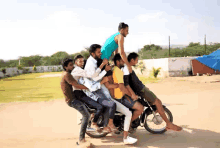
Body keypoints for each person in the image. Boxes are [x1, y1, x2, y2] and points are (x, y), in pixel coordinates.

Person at [84, 44, 137, 144]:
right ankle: (114, 128)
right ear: (92, 53)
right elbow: (101, 82)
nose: (100, 54)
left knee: (121, 109)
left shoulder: (111, 70)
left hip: (108, 94)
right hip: (107, 96)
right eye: (99, 52)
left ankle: (112, 126)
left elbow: (101, 79)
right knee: (125, 111)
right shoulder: (104, 70)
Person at [123, 52, 182, 131]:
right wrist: (133, 94)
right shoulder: (127, 68)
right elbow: (127, 84)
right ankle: (168, 124)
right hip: (141, 91)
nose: (137, 62)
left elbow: (134, 82)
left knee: (158, 102)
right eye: (136, 60)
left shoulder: (129, 68)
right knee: (157, 102)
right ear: (132, 60)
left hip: (142, 89)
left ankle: (166, 121)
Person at [71, 54, 117, 133]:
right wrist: (104, 69)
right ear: (76, 62)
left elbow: (94, 77)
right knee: (107, 105)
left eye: (82, 61)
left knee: (107, 106)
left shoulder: (82, 73)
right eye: (80, 61)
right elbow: (93, 78)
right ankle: (102, 123)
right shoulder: (79, 72)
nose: (82, 62)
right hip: (86, 95)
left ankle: (105, 125)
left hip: (90, 94)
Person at [60, 58, 96, 148]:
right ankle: (81, 139)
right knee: (86, 115)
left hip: (74, 98)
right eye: (70, 65)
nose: (73, 66)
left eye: (73, 64)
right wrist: (89, 88)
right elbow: (75, 85)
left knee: (89, 111)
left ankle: (87, 127)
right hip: (72, 100)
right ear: (65, 67)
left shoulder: (67, 74)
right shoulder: (67, 75)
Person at [112, 53, 144, 136]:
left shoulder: (118, 70)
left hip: (122, 96)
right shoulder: (118, 72)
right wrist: (132, 95)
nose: (124, 62)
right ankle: (127, 125)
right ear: (118, 62)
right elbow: (122, 88)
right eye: (123, 60)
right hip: (120, 98)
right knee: (140, 108)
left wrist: (130, 94)